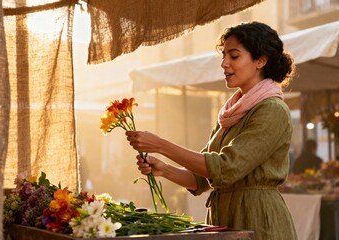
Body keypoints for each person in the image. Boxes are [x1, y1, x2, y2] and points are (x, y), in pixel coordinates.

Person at [126, 21, 297, 240]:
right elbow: (201, 179)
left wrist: (160, 145)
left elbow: (225, 169)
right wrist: (164, 169)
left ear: (260, 61)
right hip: (223, 219)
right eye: (223, 56)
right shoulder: (230, 113)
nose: (224, 64)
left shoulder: (272, 109)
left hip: (257, 219)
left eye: (234, 56)